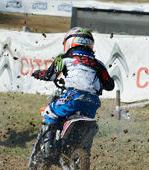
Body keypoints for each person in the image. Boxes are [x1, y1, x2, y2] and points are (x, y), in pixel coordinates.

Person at [31, 27, 115, 160]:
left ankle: (47, 151)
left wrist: (38, 73)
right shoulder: (98, 64)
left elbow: (50, 76)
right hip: (93, 102)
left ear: (70, 42)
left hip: (73, 96)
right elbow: (110, 85)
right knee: (87, 130)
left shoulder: (64, 58)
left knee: (49, 113)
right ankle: (82, 159)